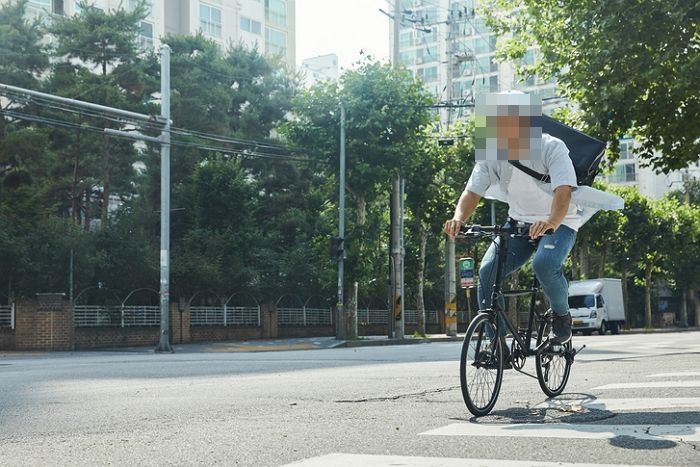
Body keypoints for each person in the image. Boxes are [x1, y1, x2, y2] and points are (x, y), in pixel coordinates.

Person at [443, 92, 623, 349]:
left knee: (544, 263)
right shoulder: (492, 153)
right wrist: (458, 218)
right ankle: (498, 342)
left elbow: (563, 191)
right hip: (518, 223)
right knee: (486, 272)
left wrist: (551, 221)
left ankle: (562, 316)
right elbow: (472, 192)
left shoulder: (551, 147)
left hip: (560, 222)